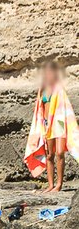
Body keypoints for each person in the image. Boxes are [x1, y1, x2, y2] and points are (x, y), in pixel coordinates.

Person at [25, 60, 79, 192]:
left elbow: (65, 106)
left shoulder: (59, 88)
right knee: (49, 155)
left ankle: (59, 184)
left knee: (60, 152)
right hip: (47, 123)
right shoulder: (42, 89)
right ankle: (50, 185)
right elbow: (39, 108)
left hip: (59, 122)